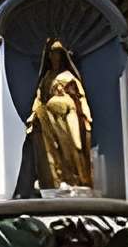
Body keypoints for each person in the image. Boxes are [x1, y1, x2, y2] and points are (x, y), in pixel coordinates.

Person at [28, 38, 94, 189]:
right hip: (51, 118)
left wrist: (85, 114)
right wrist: (34, 114)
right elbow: (40, 98)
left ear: (63, 55)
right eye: (52, 53)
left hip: (68, 115)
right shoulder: (47, 77)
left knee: (75, 145)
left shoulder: (69, 76)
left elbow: (80, 97)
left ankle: (80, 180)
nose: (54, 56)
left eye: (57, 53)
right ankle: (60, 180)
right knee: (53, 148)